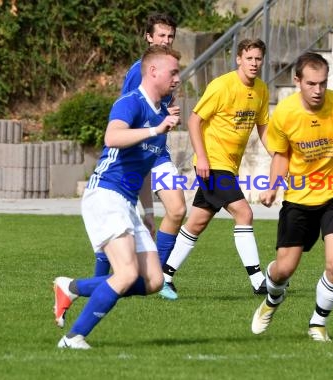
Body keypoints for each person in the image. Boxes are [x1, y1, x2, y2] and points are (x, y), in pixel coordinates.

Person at [53, 45, 182, 349]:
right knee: (125, 274)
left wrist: (149, 211)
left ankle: (70, 287)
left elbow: (145, 168)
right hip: (105, 194)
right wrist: (154, 130)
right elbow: (112, 137)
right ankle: (73, 338)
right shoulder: (131, 103)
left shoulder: (161, 115)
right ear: (153, 72)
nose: (178, 78)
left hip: (126, 202)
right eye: (173, 72)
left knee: (154, 281)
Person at [250, 52, 333, 342]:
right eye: (311, 84)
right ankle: (273, 299)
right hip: (299, 199)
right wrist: (273, 185)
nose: (318, 90)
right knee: (283, 269)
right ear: (297, 81)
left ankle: (318, 323)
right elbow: (281, 155)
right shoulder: (284, 114)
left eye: (322, 83)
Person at [160, 38, 271, 299]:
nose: (254, 63)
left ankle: (165, 276)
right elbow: (194, 119)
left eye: (258, 59)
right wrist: (202, 157)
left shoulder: (262, 90)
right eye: (249, 58)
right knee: (244, 213)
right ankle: (258, 280)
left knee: (197, 222)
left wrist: (280, 157)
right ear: (239, 59)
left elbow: (264, 129)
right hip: (213, 165)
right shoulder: (222, 85)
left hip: (228, 167)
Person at [94, 13, 187, 302]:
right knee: (115, 218)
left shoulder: (170, 71)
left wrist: (167, 119)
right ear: (148, 37)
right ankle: (99, 281)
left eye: (170, 36)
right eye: (160, 36)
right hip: (136, 152)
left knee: (177, 209)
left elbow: (158, 109)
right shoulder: (142, 69)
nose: (166, 40)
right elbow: (127, 112)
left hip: (158, 151)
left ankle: (160, 275)